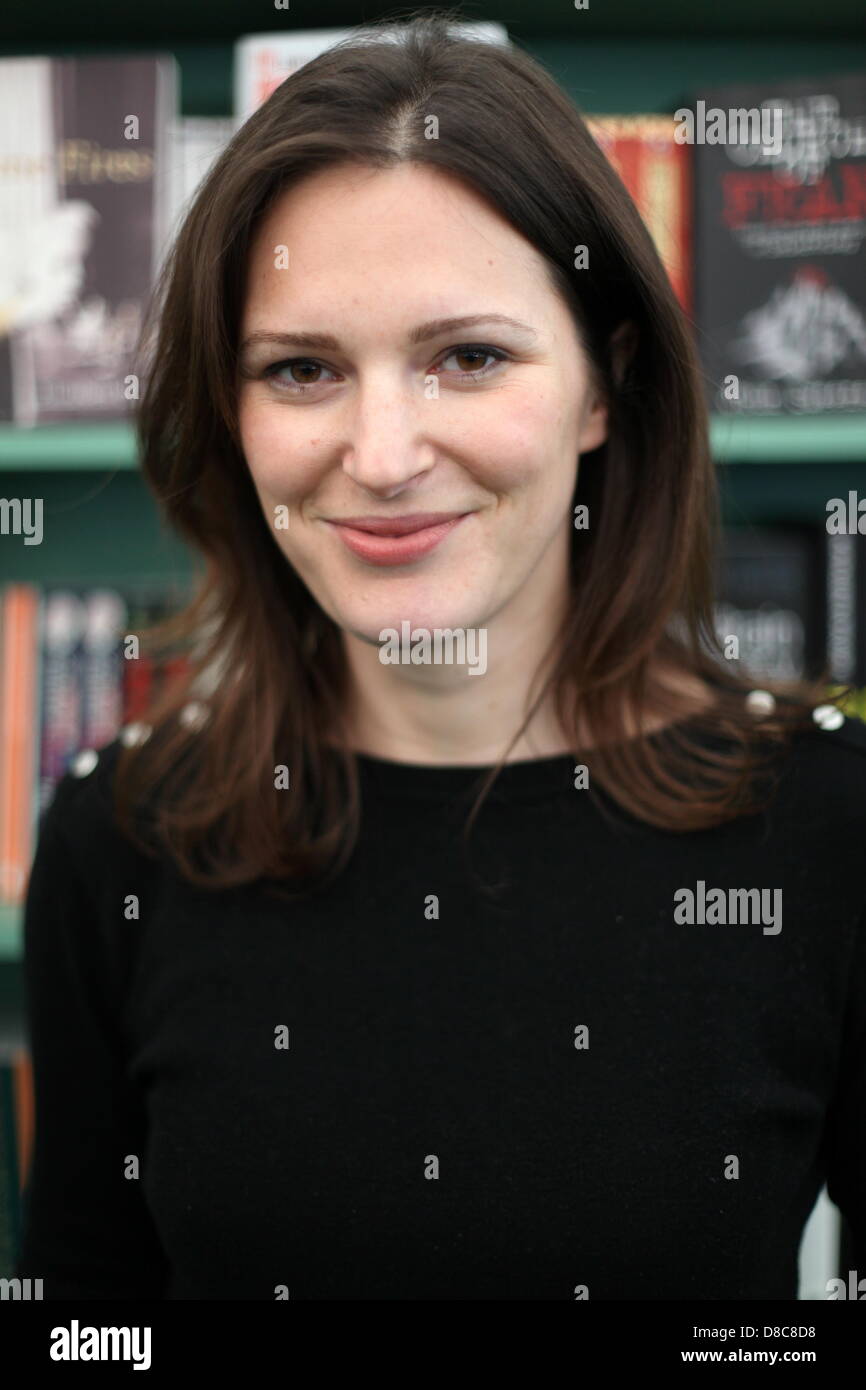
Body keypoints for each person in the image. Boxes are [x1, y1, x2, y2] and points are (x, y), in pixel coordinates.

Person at [15, 13, 866, 1300]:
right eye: (301, 369)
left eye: (466, 357)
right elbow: (87, 1322)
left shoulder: (830, 817)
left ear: (601, 386)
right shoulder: (120, 834)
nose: (383, 454)